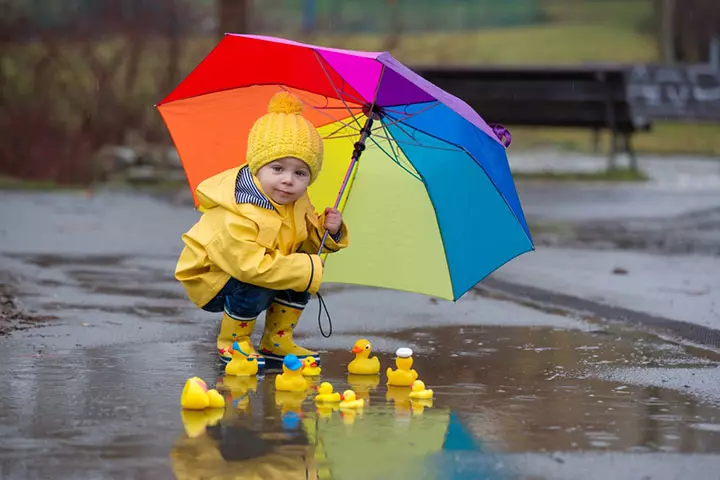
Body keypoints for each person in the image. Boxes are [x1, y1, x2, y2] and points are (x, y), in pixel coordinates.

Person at [175, 91, 349, 366]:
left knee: (301, 272)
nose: (288, 180)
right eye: (277, 168)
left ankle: (276, 341)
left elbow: (303, 243)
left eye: (300, 173)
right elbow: (247, 266)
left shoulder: (297, 202)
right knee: (274, 278)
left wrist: (329, 231)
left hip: (258, 267)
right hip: (214, 277)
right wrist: (306, 269)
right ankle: (234, 343)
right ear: (258, 168)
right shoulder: (239, 209)